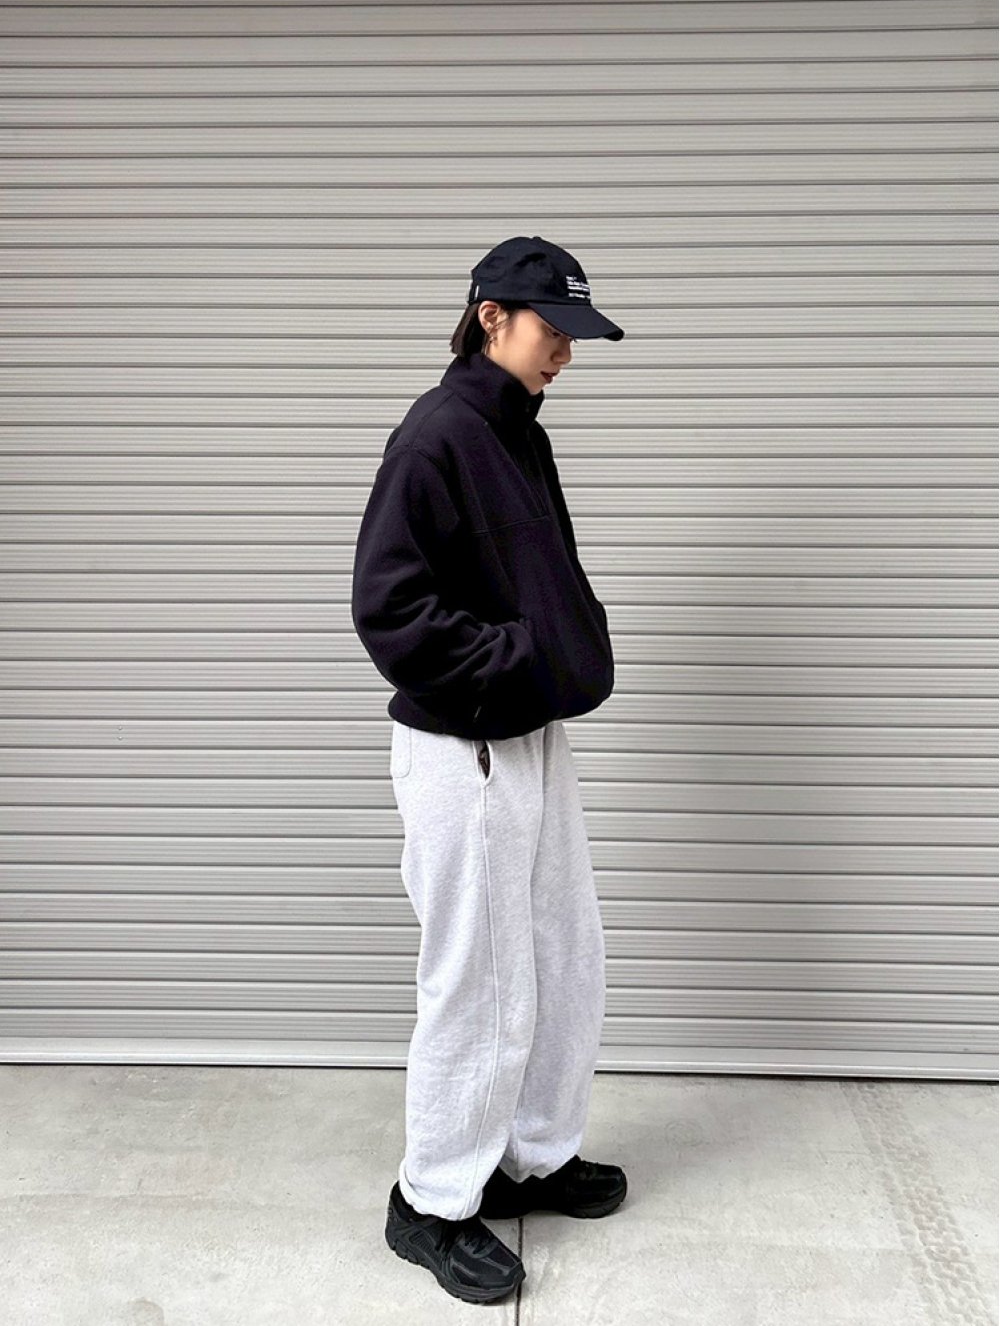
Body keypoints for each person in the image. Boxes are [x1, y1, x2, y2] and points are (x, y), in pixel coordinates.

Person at [351, 235, 628, 1306]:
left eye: (573, 336)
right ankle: (430, 1200)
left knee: (562, 951)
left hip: (529, 734)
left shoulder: (519, 434)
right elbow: (388, 607)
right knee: (478, 974)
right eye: (551, 329)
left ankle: (532, 1154)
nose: (565, 352)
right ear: (489, 317)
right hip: (461, 743)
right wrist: (515, 659)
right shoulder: (437, 434)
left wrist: (559, 651)